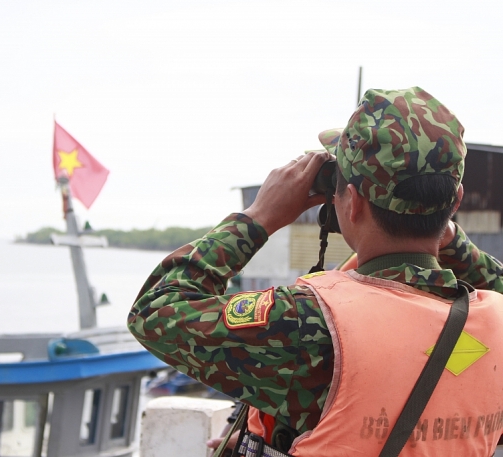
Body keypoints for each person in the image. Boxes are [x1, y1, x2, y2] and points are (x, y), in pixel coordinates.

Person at [127, 87, 503, 456]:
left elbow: (154, 310)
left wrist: (258, 219)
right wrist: (451, 240)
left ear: (351, 202)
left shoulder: (311, 323)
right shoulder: (495, 324)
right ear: (455, 201)